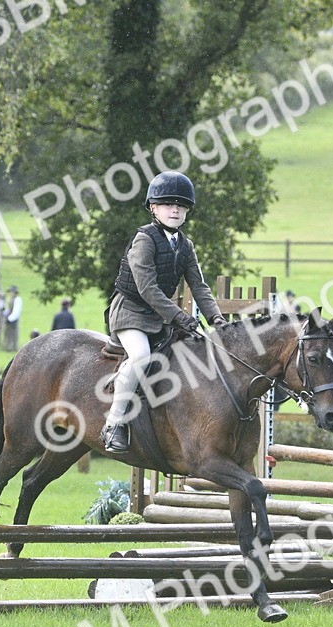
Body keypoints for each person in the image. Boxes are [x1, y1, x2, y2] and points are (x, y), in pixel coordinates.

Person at [100, 170, 224, 454]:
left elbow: (200, 286)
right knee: (142, 356)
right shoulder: (145, 239)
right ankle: (114, 424)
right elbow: (148, 289)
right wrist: (181, 317)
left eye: (181, 205)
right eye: (168, 204)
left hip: (158, 316)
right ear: (153, 208)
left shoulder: (186, 245)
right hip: (130, 311)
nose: (175, 209)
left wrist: (216, 317)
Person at [3, 285, 22, 351]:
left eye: (12, 292)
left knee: (14, 334)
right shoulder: (10, 299)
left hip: (14, 320)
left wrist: (10, 319)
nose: (11, 293)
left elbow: (16, 311)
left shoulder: (18, 299)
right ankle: (7, 347)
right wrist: (4, 314)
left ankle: (13, 347)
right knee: (7, 333)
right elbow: (8, 309)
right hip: (8, 318)